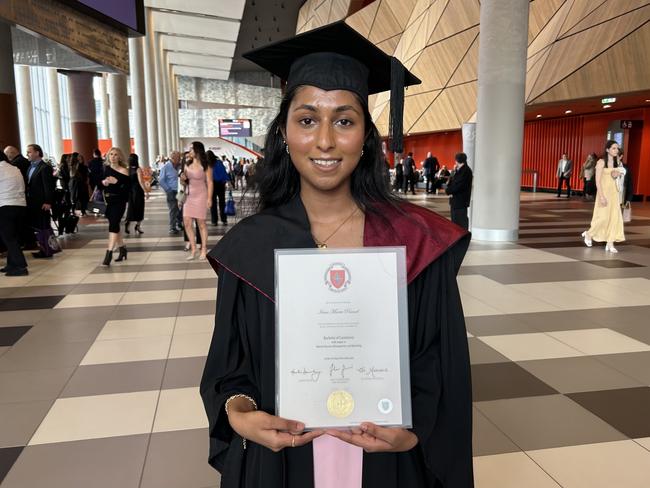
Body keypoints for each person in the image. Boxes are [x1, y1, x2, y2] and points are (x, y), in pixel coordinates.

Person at [201, 21, 473, 488]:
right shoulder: (251, 247)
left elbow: (438, 365)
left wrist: (414, 434)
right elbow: (231, 367)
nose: (325, 140)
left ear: (366, 135)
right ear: (284, 133)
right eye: (307, 120)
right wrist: (239, 413)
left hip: (387, 465)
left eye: (344, 120)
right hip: (284, 465)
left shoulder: (415, 240)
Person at [581, 140, 625, 253]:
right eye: (614, 148)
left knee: (614, 218)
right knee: (602, 218)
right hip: (603, 194)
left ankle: (610, 243)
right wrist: (601, 196)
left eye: (617, 148)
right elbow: (598, 182)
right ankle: (589, 234)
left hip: (614, 194)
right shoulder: (601, 162)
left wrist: (617, 175)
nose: (616, 150)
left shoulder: (618, 162)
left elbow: (617, 179)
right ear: (607, 150)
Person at [180, 141, 213, 260]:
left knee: (201, 223)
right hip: (189, 195)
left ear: (198, 150)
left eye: (192, 149)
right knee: (187, 223)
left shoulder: (205, 165)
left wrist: (209, 198)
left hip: (201, 195)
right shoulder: (187, 164)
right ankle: (193, 249)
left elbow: (210, 182)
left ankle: (204, 248)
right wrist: (182, 179)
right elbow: (183, 181)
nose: (190, 151)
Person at [100, 147, 131, 265]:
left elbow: (127, 190)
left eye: (115, 155)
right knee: (115, 225)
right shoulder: (105, 169)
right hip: (108, 202)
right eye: (111, 154)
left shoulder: (124, 171)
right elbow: (98, 184)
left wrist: (116, 182)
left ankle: (109, 253)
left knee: (113, 225)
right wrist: (103, 183)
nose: (113, 157)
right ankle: (122, 249)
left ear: (119, 157)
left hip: (119, 202)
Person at [0, 151, 29, 276]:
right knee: (14, 236)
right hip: (20, 206)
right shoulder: (14, 168)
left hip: (5, 206)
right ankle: (11, 264)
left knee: (8, 238)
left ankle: (21, 266)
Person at [26, 144, 56, 258]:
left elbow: (48, 187)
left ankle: (47, 250)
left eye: (29, 152)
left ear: (37, 153)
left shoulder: (44, 167)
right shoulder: (30, 167)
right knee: (38, 227)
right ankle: (43, 249)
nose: (27, 154)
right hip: (33, 203)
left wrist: (48, 202)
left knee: (44, 226)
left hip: (42, 203)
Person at [445, 153, 473, 230]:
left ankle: (461, 240)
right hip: (456, 201)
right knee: (455, 222)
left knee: (460, 223)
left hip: (460, 201)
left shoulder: (466, 171)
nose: (455, 162)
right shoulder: (459, 170)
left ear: (458, 161)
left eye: (456, 160)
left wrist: (448, 191)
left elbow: (458, 186)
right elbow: (452, 182)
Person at [124, 153, 148, 235]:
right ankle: (137, 226)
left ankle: (128, 223)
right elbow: (141, 182)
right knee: (139, 208)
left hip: (130, 192)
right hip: (138, 191)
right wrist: (146, 191)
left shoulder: (127, 169)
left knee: (131, 208)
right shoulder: (138, 169)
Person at [159, 150, 182, 234]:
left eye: (179, 157)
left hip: (181, 191)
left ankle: (179, 223)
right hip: (172, 191)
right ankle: (172, 227)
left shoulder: (180, 166)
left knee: (182, 209)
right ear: (173, 158)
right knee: (173, 209)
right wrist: (168, 190)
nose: (180, 159)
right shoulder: (166, 167)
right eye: (178, 157)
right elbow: (161, 180)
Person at [209, 150, 230, 225]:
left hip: (212, 185)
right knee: (222, 202)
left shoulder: (208, 164)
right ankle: (224, 219)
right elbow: (224, 172)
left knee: (213, 203)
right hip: (221, 184)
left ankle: (214, 221)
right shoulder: (219, 162)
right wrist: (227, 181)